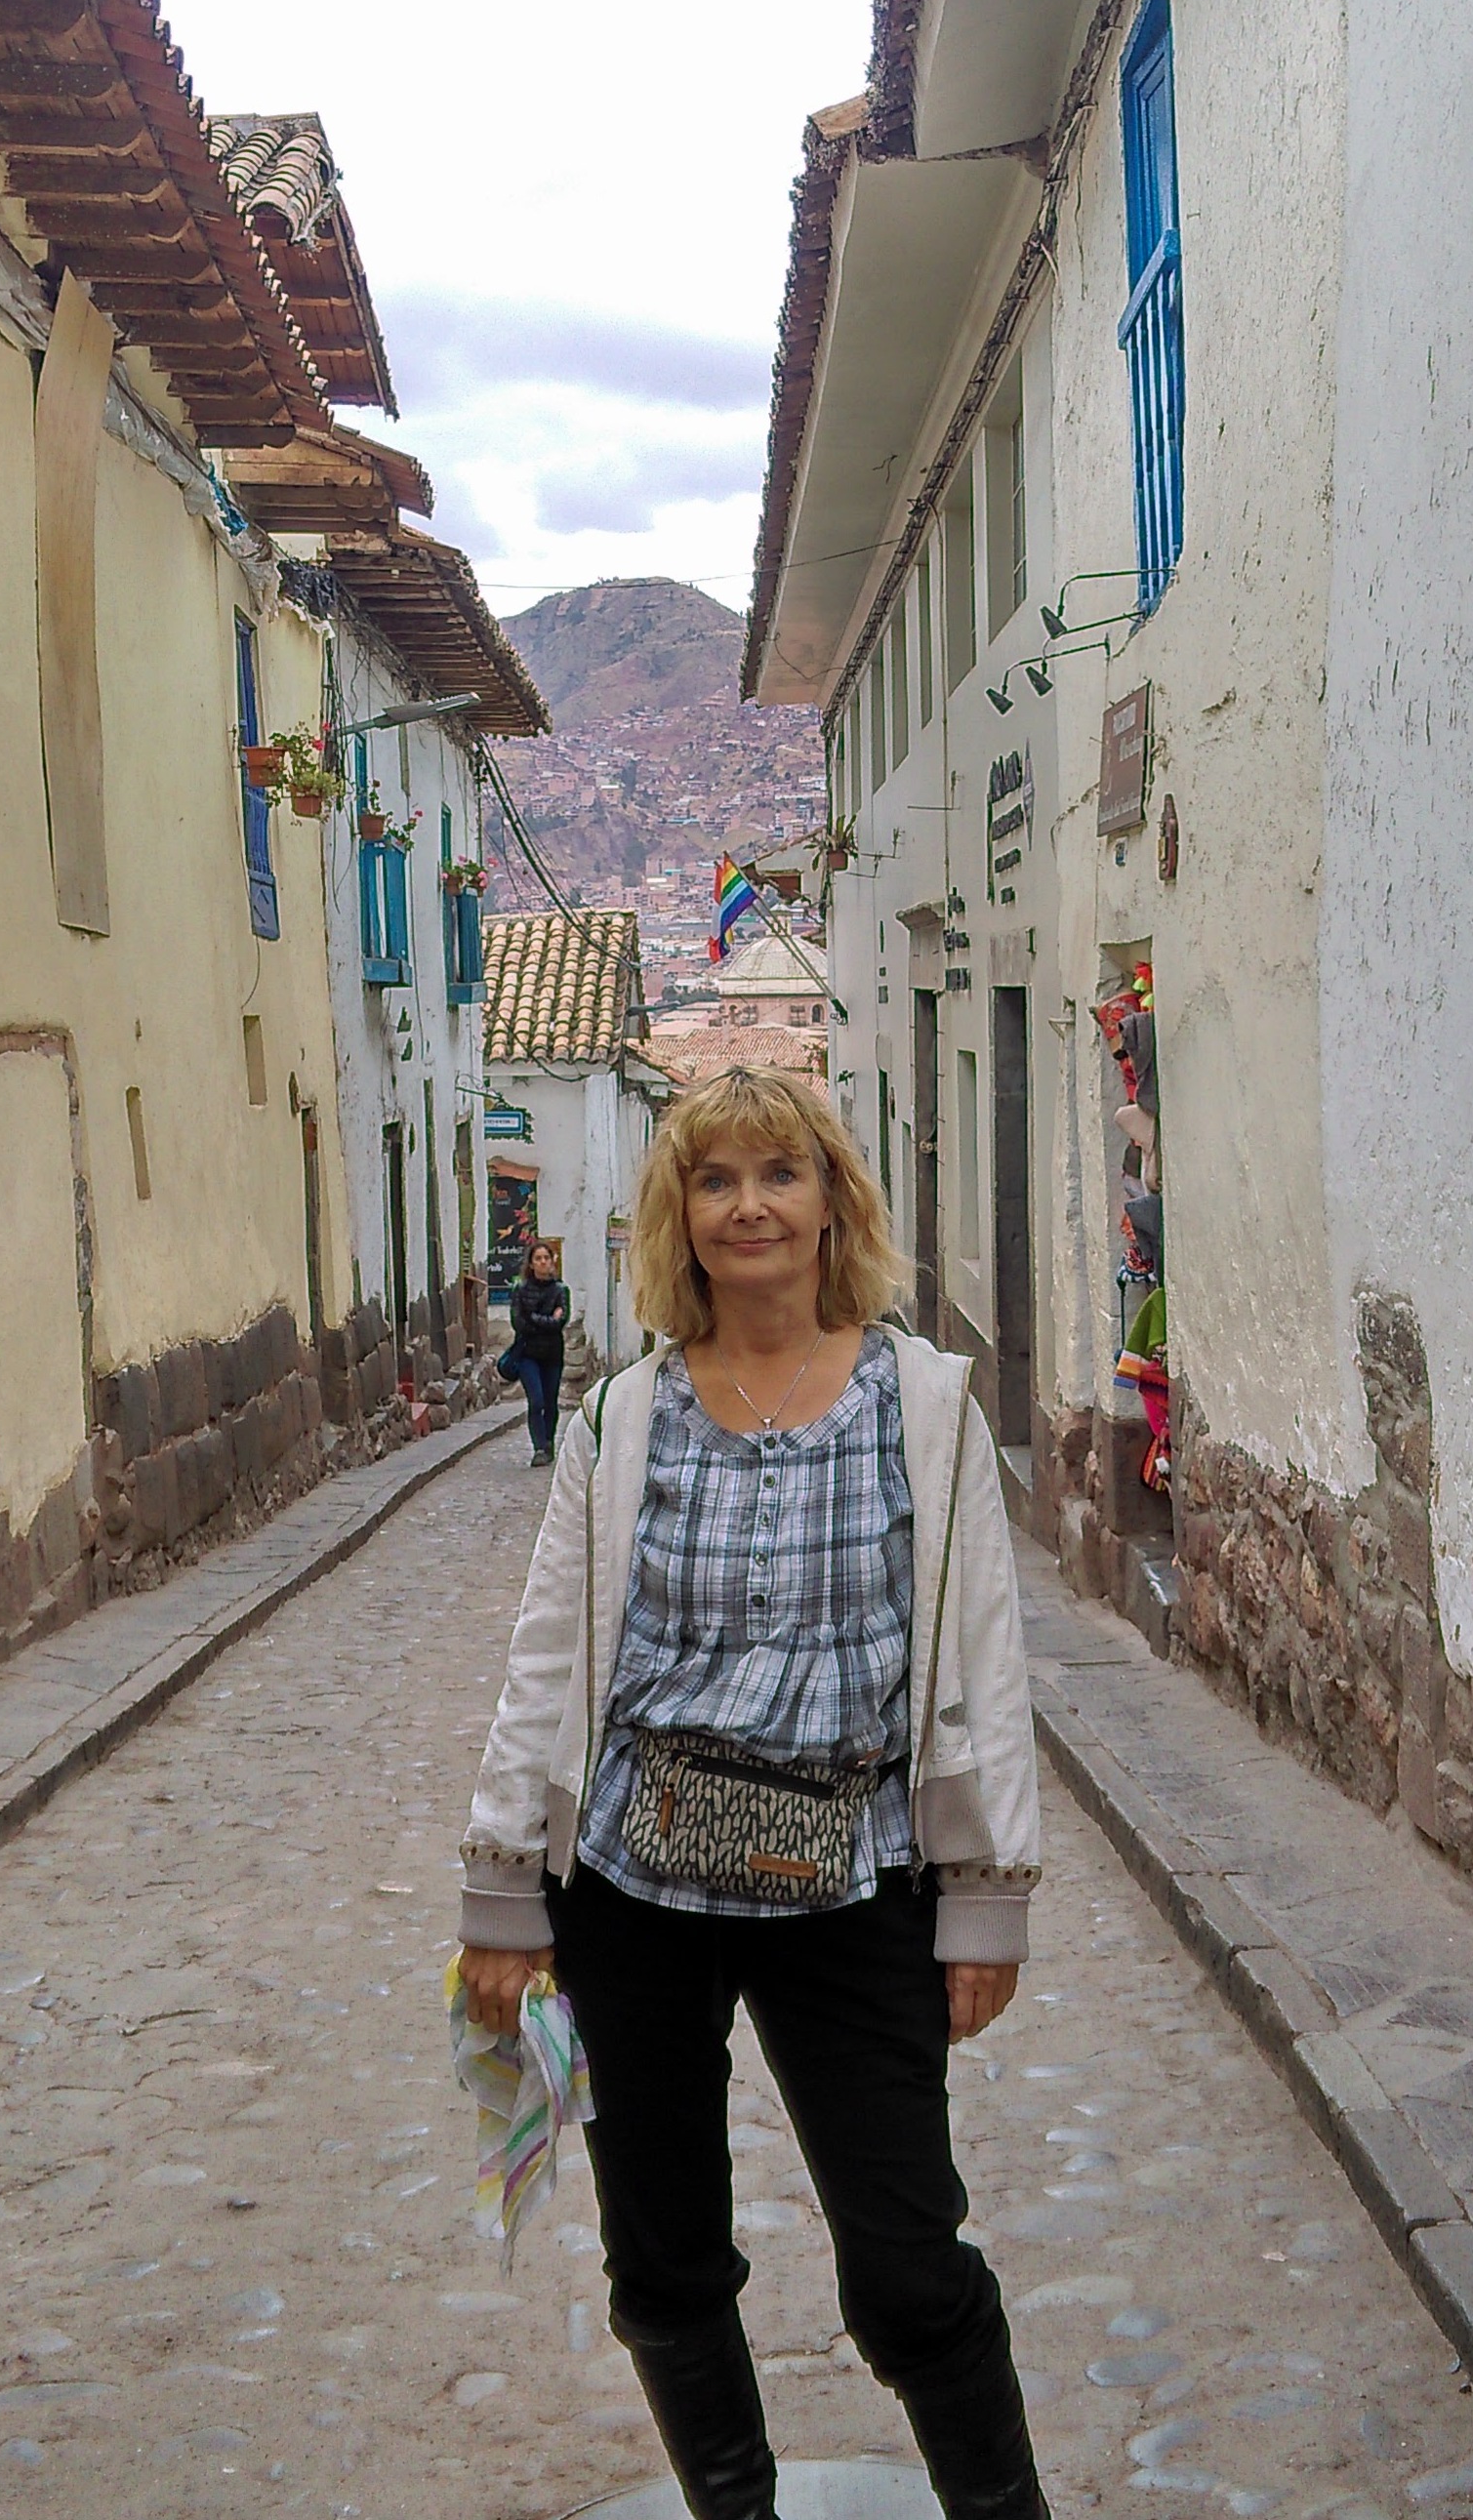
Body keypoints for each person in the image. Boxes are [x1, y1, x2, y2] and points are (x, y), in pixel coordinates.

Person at [457, 1066, 1045, 2520]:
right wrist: (503, 1885)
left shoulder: (924, 1404)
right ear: (681, 1215)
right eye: (714, 1180)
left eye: (779, 1173)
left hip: (850, 1881)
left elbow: (980, 1652)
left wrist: (986, 1899)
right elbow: (551, 1653)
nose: (748, 1205)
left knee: (910, 2263)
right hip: (634, 1890)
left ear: (833, 1197)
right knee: (659, 2256)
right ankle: (737, 2508)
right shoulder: (622, 1417)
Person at [499, 1241, 570, 1464]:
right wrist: (548, 1319)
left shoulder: (560, 1290)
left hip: (552, 1355)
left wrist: (535, 1318)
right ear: (531, 1263)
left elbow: (561, 1322)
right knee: (536, 1401)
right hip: (528, 1354)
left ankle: (548, 1442)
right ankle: (539, 1447)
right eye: (538, 1258)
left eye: (546, 1258)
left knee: (551, 1402)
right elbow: (519, 1323)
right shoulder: (521, 1290)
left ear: (552, 1261)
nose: (542, 1262)